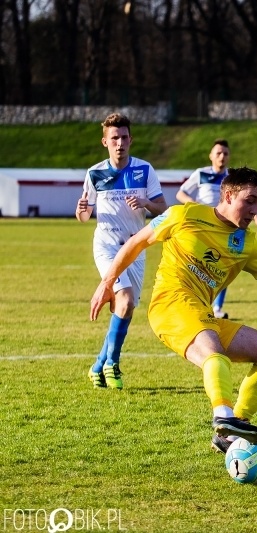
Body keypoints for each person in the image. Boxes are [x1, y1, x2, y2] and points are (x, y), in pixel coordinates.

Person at [89, 166, 257, 453]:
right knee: (214, 352)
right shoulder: (184, 215)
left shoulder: (247, 243)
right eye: (250, 200)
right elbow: (137, 243)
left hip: (203, 315)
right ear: (229, 195)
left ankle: (232, 429)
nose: (255, 210)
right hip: (170, 306)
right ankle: (224, 416)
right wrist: (107, 282)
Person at [76, 112, 168, 390]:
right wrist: (81, 212)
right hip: (106, 246)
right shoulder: (95, 173)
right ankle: (112, 363)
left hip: (136, 246)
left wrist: (145, 202)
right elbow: (84, 214)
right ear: (105, 142)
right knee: (125, 301)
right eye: (114, 138)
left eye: (124, 137)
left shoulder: (144, 170)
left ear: (131, 139)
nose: (120, 143)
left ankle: (97, 366)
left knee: (122, 309)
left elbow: (163, 208)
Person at [176, 139, 232, 319]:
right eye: (218, 153)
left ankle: (217, 308)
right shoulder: (201, 174)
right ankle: (192, 301)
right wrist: (196, 205)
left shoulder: (232, 178)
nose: (222, 156)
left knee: (222, 267)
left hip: (223, 227)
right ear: (211, 156)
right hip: (201, 226)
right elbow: (181, 193)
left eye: (225, 153)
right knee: (196, 265)